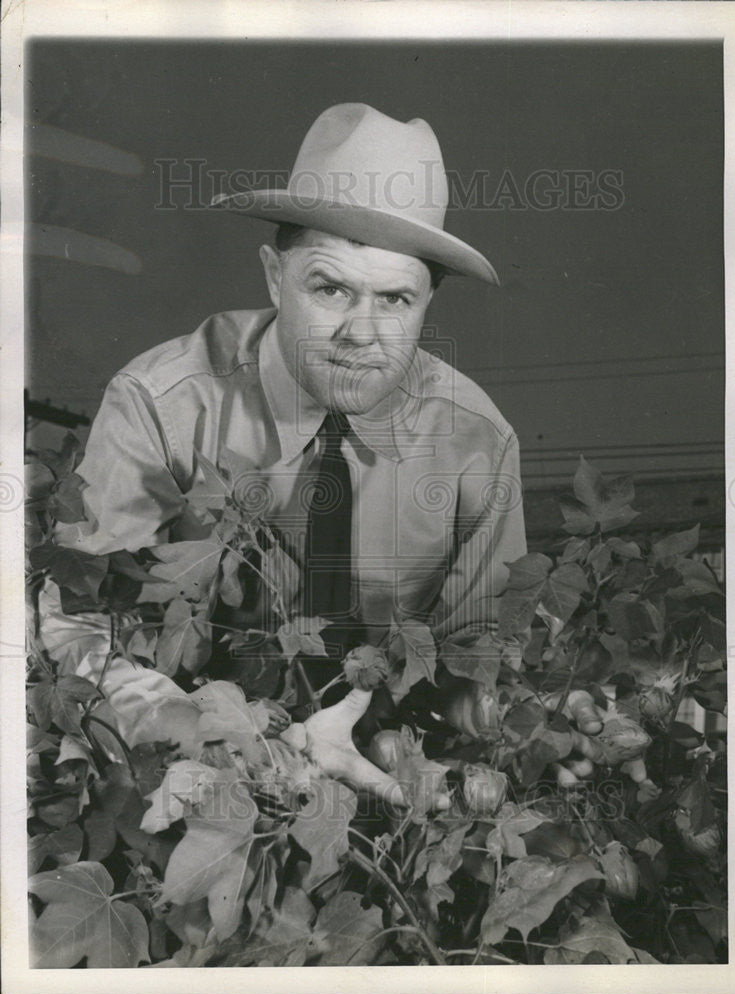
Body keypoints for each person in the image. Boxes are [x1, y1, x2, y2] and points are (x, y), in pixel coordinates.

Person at [49, 104, 532, 801]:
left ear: (429, 300)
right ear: (274, 275)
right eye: (330, 288)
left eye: (395, 299)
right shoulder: (161, 404)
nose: (361, 333)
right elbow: (76, 627)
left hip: (374, 784)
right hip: (182, 776)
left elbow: (469, 659)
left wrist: (509, 717)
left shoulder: (475, 443)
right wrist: (221, 741)